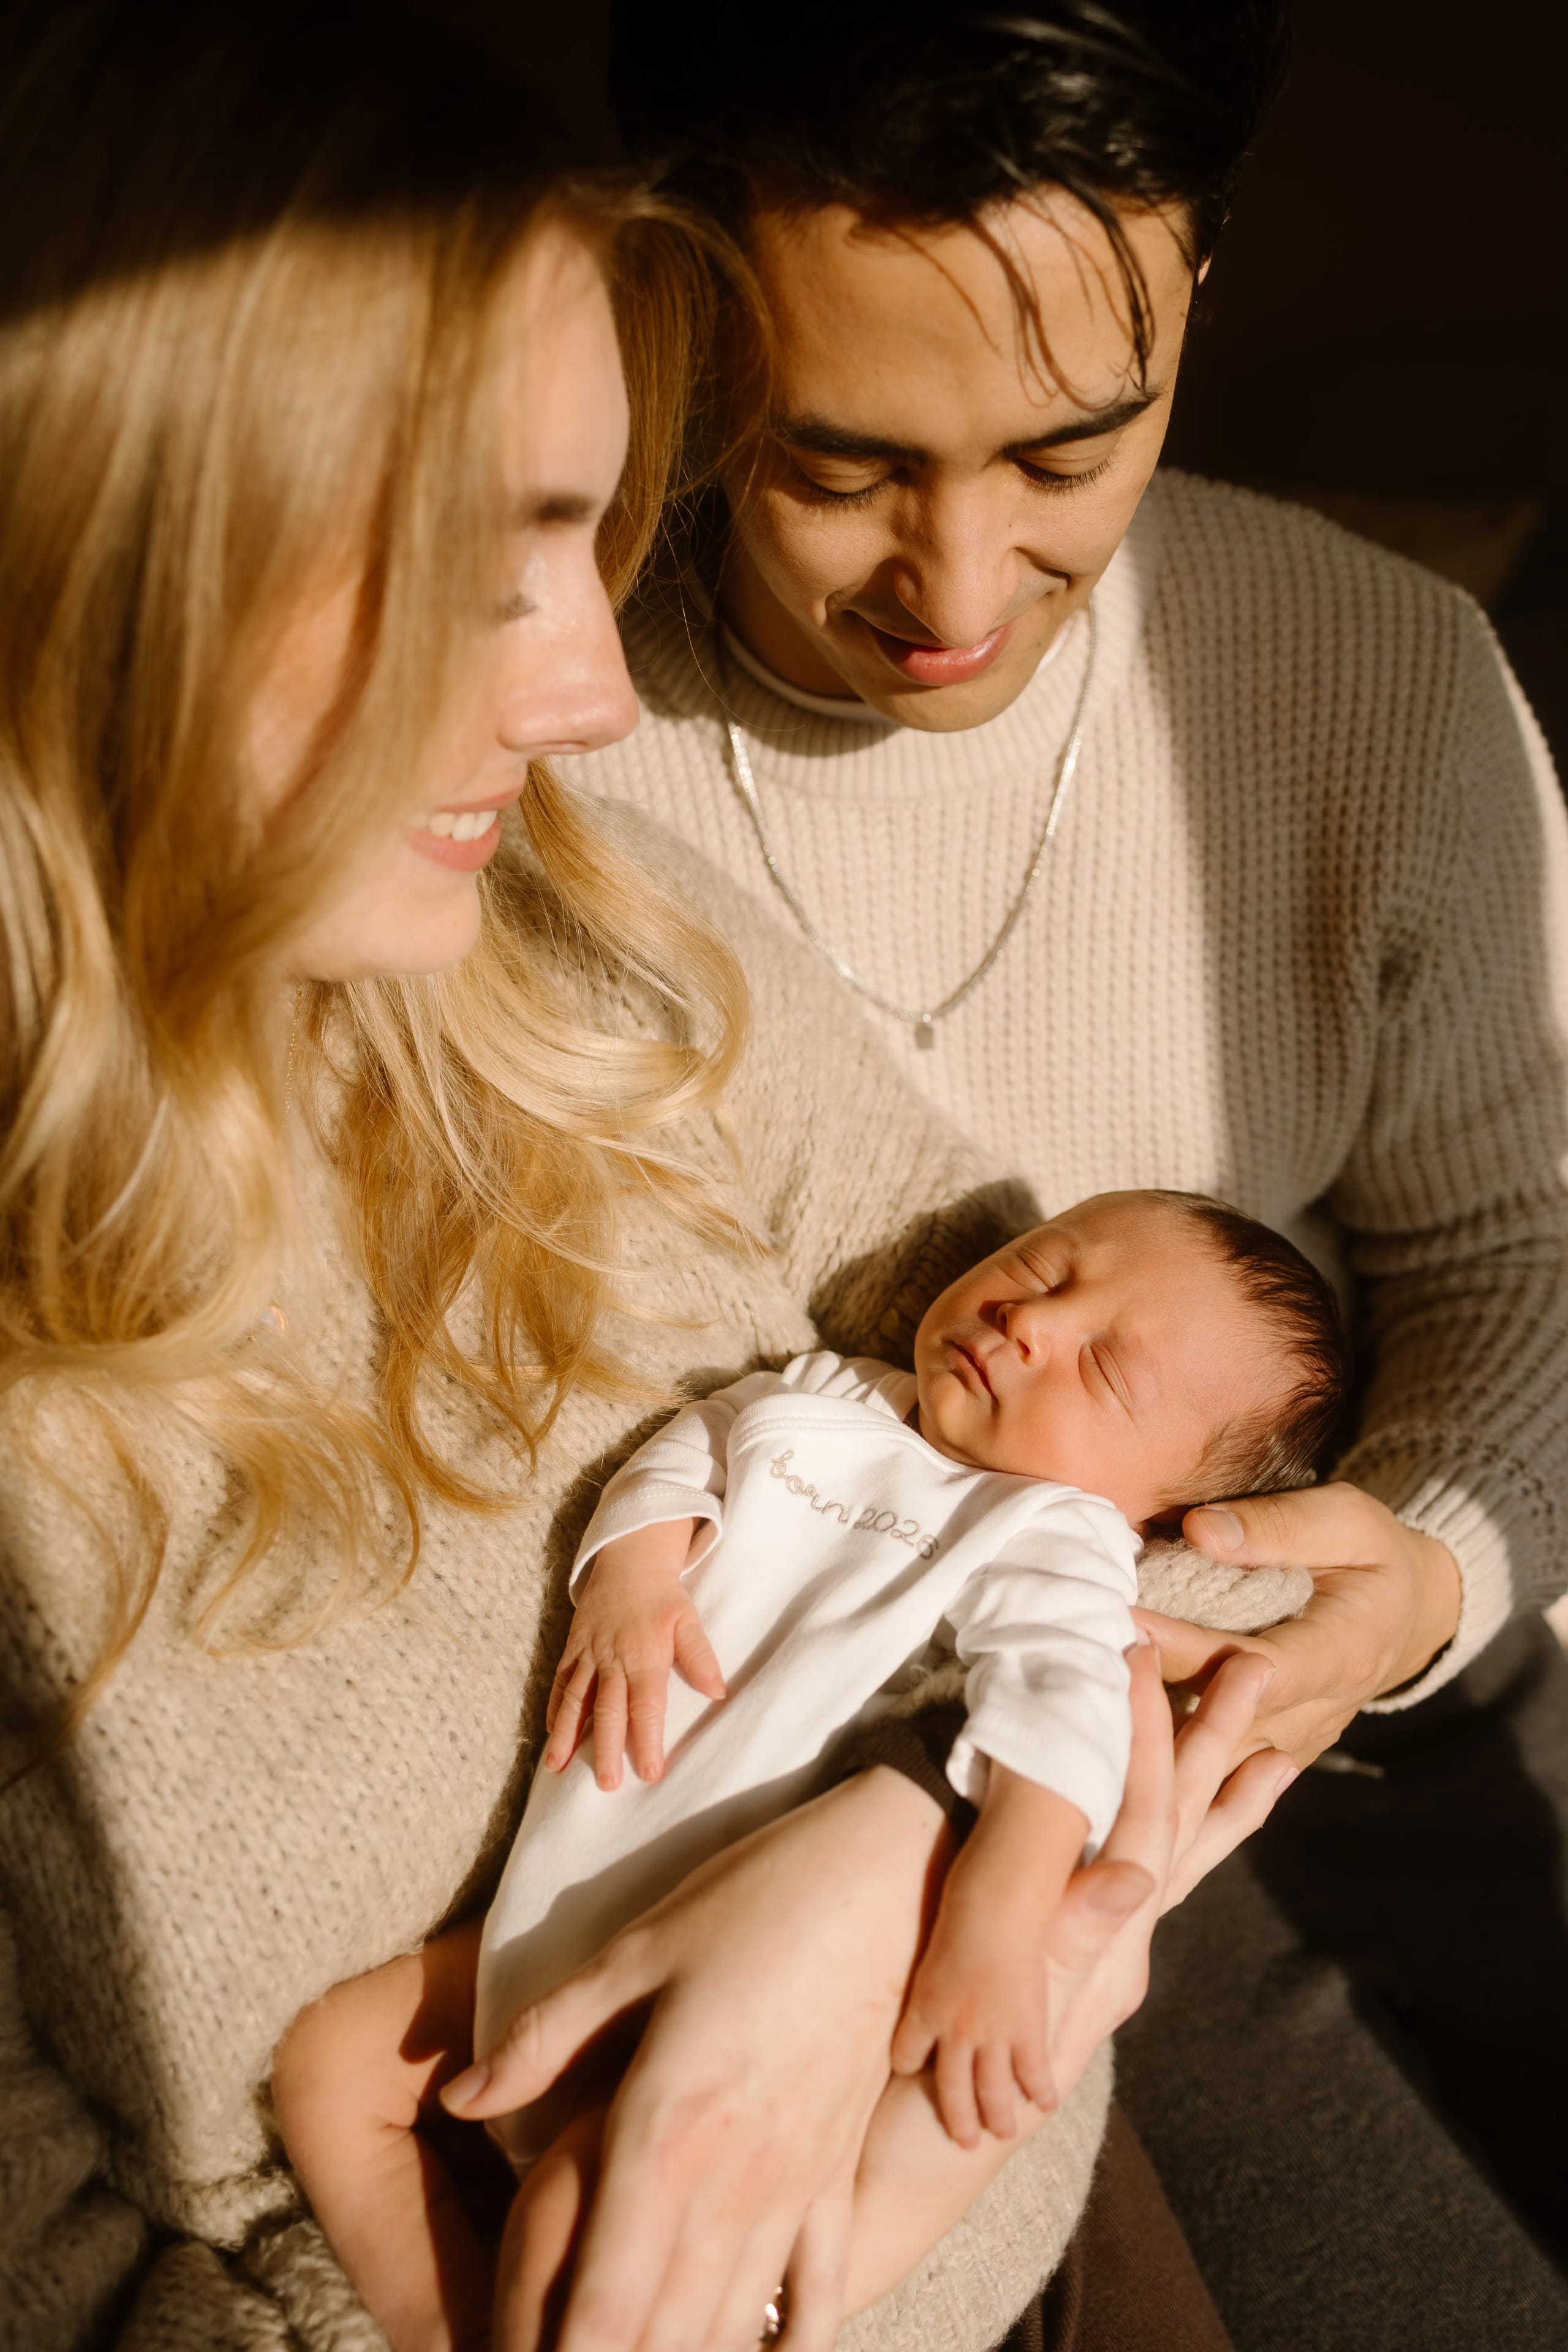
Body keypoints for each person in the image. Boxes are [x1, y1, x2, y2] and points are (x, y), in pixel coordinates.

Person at [0, 7, 1289, 2352]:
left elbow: (1175, 1514)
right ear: (116, 560)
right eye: (495, 567)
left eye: (593, 543)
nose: (604, 693)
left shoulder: (585, 934)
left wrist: (883, 1848)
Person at [546, 1, 1568, 2341]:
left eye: (1069, 451)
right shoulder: (523, 698)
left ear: (1199, 275)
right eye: (837, 463)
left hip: (1330, 1714)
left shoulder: (1379, 682)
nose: (959, 583)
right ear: (668, 290)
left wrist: (1425, 1573)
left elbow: (1526, 1237)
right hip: (763, 1767)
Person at [272, 1189, 1344, 2349]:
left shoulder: (1054, 1535)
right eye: (1041, 1269)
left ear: (1160, 1510)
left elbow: (1062, 1715)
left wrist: (997, 1908)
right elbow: (690, 1447)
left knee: (586, 2236)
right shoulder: (830, 1391)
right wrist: (632, 1579)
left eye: (1105, 1372)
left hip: (742, 1971)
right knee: (329, 2064)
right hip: (566, 1907)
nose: (1033, 1321)